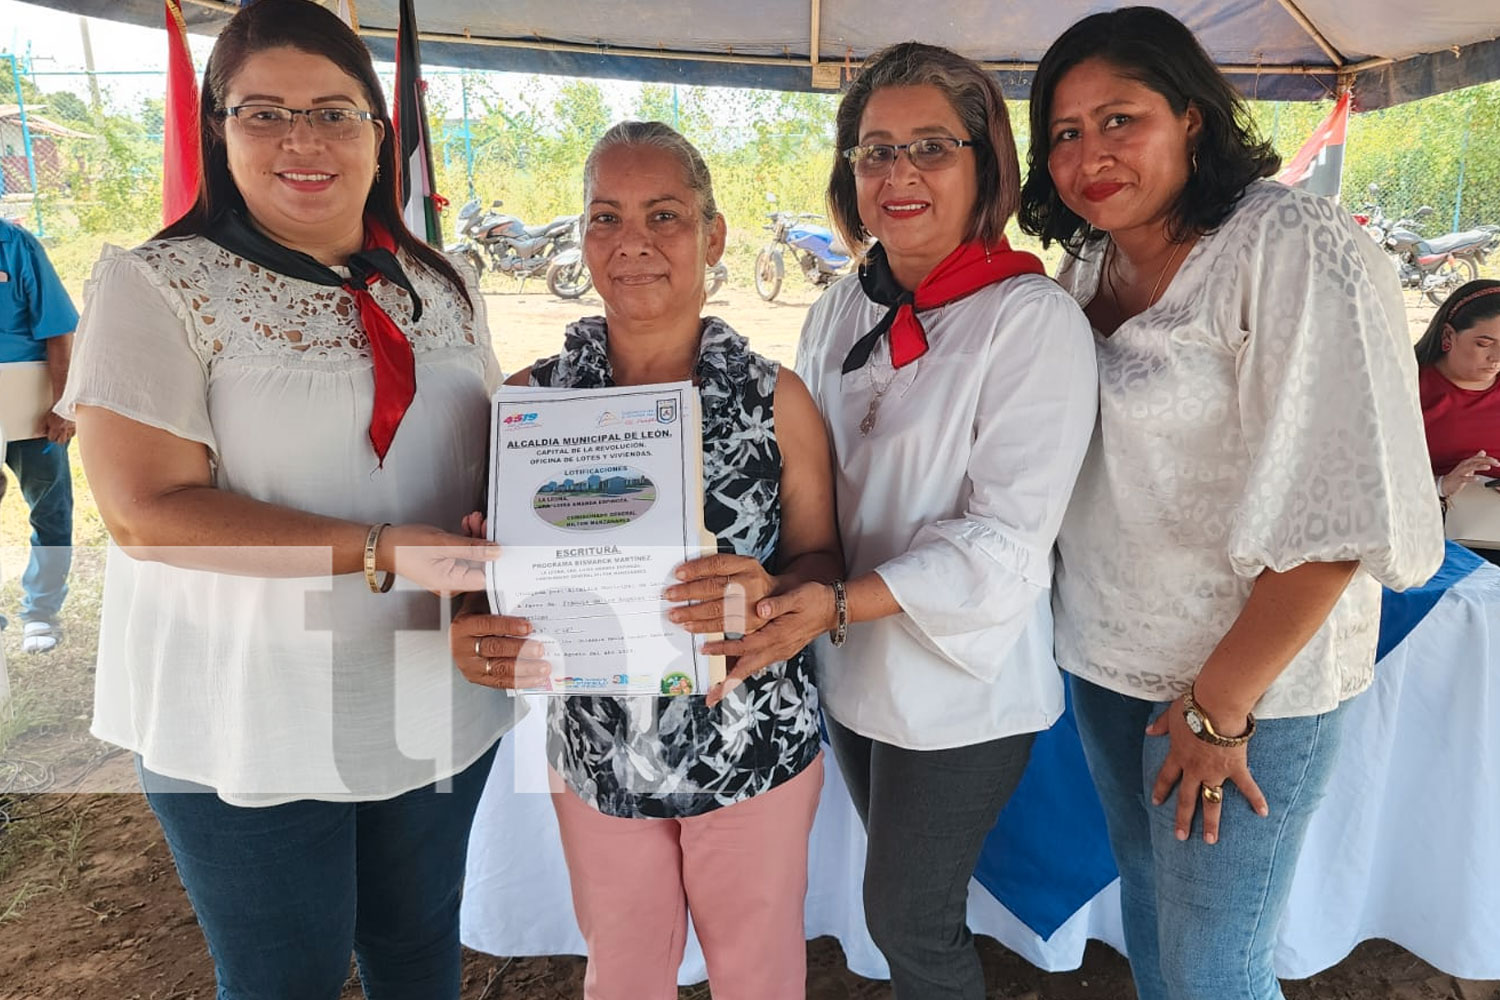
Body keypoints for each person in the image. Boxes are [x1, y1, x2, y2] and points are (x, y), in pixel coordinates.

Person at [58, 3, 522, 997]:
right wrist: (385, 547)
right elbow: (145, 510)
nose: (303, 140)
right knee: (285, 978)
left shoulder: (445, 283)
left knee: (416, 951)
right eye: (263, 111)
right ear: (218, 127)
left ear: (378, 130)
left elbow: (481, 459)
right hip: (248, 708)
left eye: (335, 111)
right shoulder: (157, 285)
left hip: (430, 686)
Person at [1018, 8, 1445, 1000]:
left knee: (1215, 967)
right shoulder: (1091, 259)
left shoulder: (1287, 241)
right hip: (1114, 662)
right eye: (1066, 133)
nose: (1090, 153)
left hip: (1248, 687)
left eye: (1120, 119)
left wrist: (1221, 706)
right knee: (1157, 929)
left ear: (1193, 119)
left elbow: (1343, 500)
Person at [717, 43, 1098, 999]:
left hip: (959, 680)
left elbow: (1008, 539)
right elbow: (807, 480)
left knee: (907, 918)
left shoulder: (1030, 319)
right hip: (848, 658)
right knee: (902, 909)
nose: (899, 174)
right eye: (874, 150)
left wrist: (836, 603)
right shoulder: (842, 304)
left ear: (985, 164)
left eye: (931, 146)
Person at [454, 120, 841, 1000]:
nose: (631, 242)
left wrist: (775, 595)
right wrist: (477, 619)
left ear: (712, 237)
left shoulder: (773, 398)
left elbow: (822, 559)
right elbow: (488, 574)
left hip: (751, 748)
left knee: (757, 976)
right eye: (605, 216)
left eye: (664, 215)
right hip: (594, 750)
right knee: (624, 972)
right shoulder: (530, 403)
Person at [0, 215, 78, 654]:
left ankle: (41, 611)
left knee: (50, 509)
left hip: (30, 403)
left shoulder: (17, 245)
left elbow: (59, 329)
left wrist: (62, 405)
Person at [1415, 278, 1500, 562]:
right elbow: (1369, 472)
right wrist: (1441, 484)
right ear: (1449, 336)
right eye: (1484, 343)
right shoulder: (1407, 388)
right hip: (1433, 535)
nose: (1497, 358)